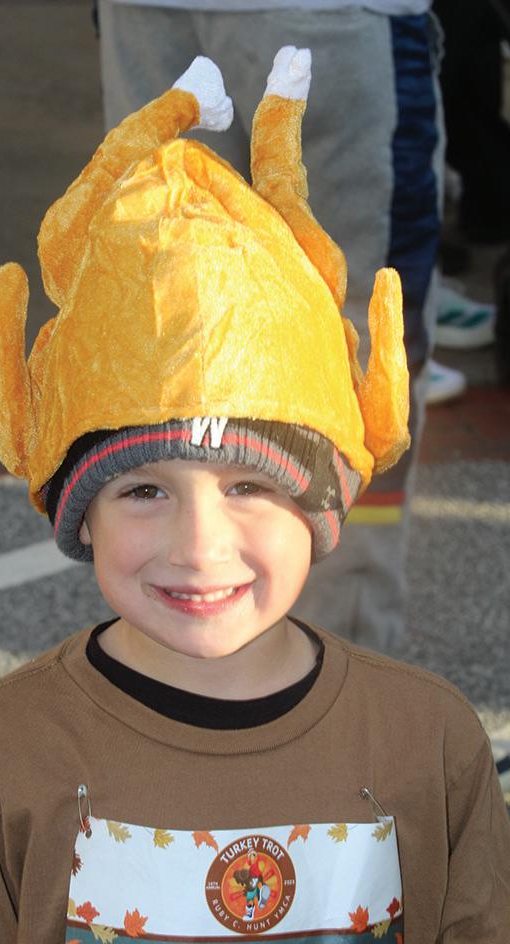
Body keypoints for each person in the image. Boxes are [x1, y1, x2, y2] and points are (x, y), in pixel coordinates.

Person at [0, 50, 508, 943]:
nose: (199, 545)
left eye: (250, 486)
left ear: (323, 507)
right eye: (144, 489)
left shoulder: (430, 743)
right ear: (79, 514)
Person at [96, 0, 444, 652]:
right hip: (327, 18)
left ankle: (193, 668)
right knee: (357, 358)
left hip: (152, 14)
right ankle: (336, 669)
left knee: (167, 334)